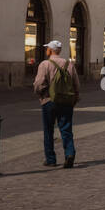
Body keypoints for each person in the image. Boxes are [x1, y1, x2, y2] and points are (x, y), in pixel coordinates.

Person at [34, 40, 81, 168]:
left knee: (48, 130)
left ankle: (50, 159)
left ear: (50, 50)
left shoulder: (45, 64)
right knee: (66, 129)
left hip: (49, 101)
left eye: (47, 48)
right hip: (66, 101)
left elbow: (39, 83)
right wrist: (75, 98)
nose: (46, 50)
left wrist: (40, 94)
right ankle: (69, 153)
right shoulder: (69, 64)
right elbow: (76, 84)